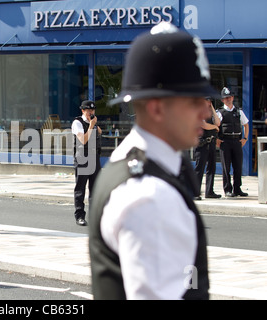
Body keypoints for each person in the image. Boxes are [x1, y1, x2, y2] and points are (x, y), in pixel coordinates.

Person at [89, 22, 217, 299]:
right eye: (194, 100)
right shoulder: (150, 196)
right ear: (157, 107)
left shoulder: (131, 162)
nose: (206, 110)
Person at [71, 100, 102, 226]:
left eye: (93, 110)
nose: (91, 112)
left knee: (95, 189)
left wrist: (94, 126)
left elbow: (99, 132)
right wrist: (90, 126)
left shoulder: (93, 122)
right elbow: (83, 140)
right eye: (88, 110)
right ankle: (80, 216)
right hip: (82, 158)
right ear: (83, 110)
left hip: (94, 158)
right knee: (80, 189)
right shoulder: (77, 123)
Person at [216, 87, 249, 197]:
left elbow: (246, 124)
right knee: (226, 167)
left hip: (236, 141)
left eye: (229, 97)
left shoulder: (238, 111)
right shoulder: (220, 112)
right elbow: (215, 126)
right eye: (225, 98)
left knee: (238, 166)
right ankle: (227, 189)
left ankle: (237, 189)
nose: (228, 99)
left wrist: (245, 138)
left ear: (233, 97)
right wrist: (216, 139)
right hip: (225, 142)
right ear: (222, 100)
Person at [193, 98, 221, 200]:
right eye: (206, 100)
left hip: (211, 143)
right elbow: (203, 125)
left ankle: (209, 191)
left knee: (211, 168)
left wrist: (212, 108)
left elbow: (218, 123)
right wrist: (214, 127)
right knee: (199, 169)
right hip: (202, 144)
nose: (208, 102)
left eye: (210, 100)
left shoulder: (210, 113)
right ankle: (195, 192)